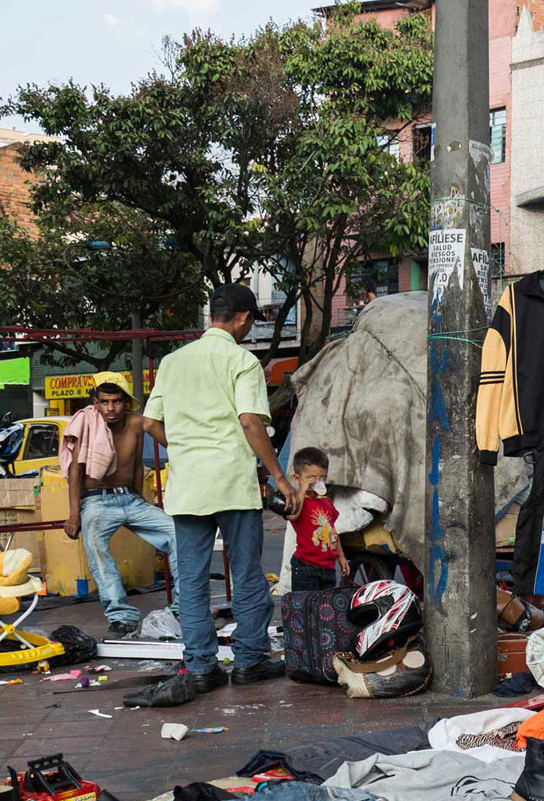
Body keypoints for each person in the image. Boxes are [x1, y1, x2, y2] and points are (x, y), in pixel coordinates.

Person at [126, 284, 300, 707]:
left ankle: (201, 667)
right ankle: (249, 660)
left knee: (191, 578)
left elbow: (150, 424)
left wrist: (186, 447)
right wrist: (278, 476)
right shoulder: (242, 361)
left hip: (188, 484)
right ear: (241, 318)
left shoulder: (173, 361)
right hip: (233, 481)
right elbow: (250, 423)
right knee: (246, 574)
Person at [60, 373, 176, 640]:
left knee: (176, 532)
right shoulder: (87, 422)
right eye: (104, 402)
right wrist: (73, 514)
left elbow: (136, 464)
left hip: (131, 498)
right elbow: (77, 472)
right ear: (95, 403)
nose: (110, 408)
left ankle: (182, 607)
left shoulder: (136, 423)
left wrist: (142, 500)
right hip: (96, 500)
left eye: (116, 401)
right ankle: (121, 617)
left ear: (126, 403)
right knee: (97, 550)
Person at [285, 446, 348, 592]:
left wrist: (341, 557)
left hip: (328, 567)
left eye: (321, 478)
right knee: (306, 607)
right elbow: (293, 515)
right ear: (297, 478)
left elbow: (332, 532)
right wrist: (303, 488)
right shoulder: (296, 501)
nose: (316, 482)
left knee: (324, 608)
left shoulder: (326, 502)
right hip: (305, 567)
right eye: (311, 478)